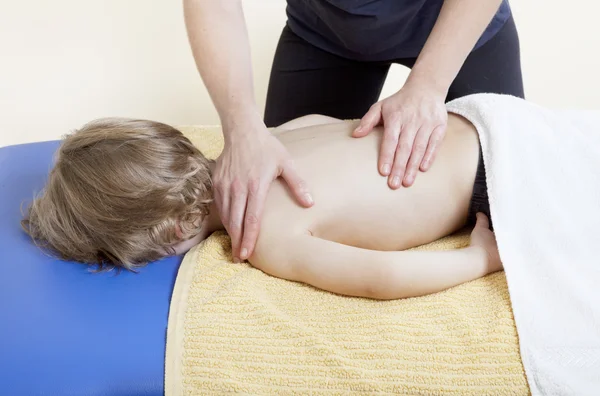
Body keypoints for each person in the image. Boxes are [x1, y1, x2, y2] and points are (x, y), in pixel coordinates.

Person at [22, 108, 501, 300]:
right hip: (479, 120)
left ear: (173, 231)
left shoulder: (265, 235)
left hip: (496, 181)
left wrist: (479, 258)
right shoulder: (262, 144)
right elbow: (322, 119)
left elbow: (384, 278)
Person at [183, 0, 524, 265]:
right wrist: (240, 129)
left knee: (515, 188)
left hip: (453, 18)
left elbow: (384, 274)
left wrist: (429, 84)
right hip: (326, 31)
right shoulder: (275, 230)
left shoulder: (272, 239)